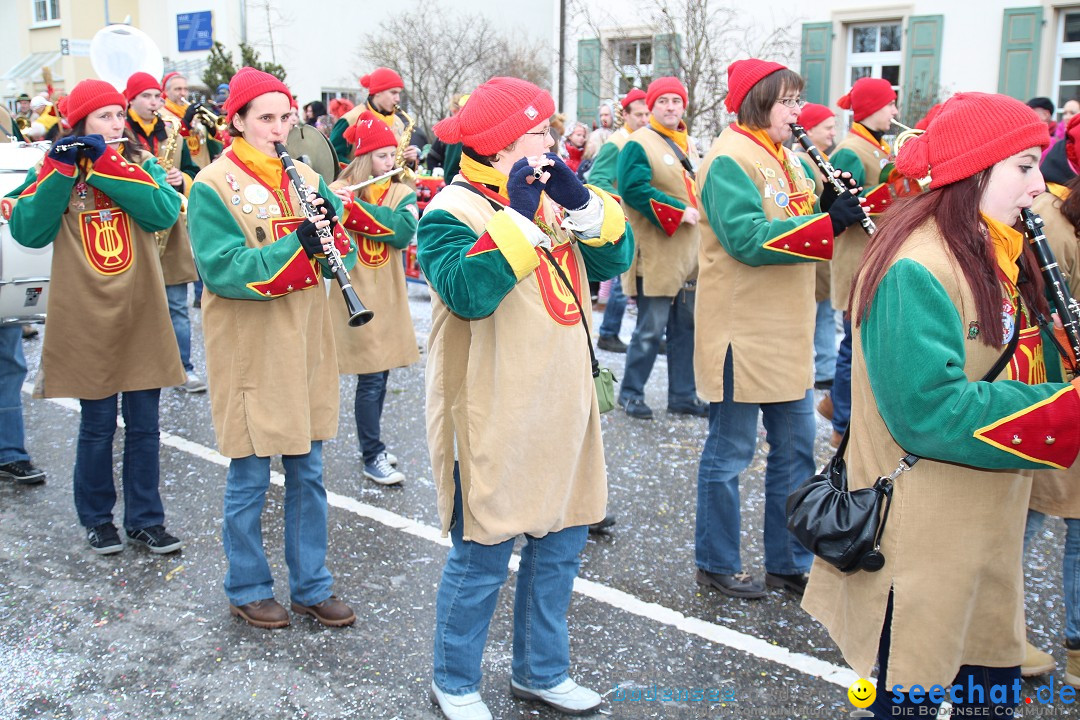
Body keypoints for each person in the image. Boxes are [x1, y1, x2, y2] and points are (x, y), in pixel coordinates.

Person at [802, 92, 1080, 718]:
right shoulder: (919, 266)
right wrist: (1064, 409)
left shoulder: (996, 250)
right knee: (912, 702)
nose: (1041, 185)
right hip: (922, 541)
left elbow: (1015, 361)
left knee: (988, 699)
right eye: (1026, 166)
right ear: (975, 169)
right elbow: (928, 411)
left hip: (986, 531)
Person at [417, 76, 631, 720]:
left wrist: (583, 204)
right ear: (503, 143)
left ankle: (540, 672)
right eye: (541, 132)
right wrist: (514, 217)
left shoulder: (546, 193)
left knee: (561, 546)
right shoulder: (449, 212)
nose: (554, 142)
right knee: (483, 556)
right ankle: (453, 681)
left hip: (562, 400)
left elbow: (614, 258)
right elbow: (465, 291)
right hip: (493, 408)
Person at [187, 67, 358, 630]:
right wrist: (297, 244)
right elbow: (222, 269)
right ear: (235, 121)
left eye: (286, 117)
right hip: (252, 349)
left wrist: (333, 233)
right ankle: (248, 585)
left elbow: (346, 260)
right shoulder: (212, 183)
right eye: (265, 118)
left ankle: (311, 585)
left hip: (306, 345)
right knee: (250, 475)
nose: (279, 129)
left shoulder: (306, 174)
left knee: (309, 472)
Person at [693, 59, 863, 599]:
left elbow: (807, 211)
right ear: (758, 101)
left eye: (798, 101)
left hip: (787, 330)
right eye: (788, 101)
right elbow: (748, 239)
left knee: (796, 450)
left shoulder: (788, 158)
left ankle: (787, 561)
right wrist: (826, 222)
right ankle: (716, 560)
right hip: (741, 332)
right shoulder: (728, 159)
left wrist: (836, 204)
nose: (799, 112)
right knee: (730, 454)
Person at [7, 78, 186, 555]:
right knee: (98, 425)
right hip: (86, 316)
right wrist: (63, 171)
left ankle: (146, 519)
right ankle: (97, 519)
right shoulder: (54, 166)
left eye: (117, 116)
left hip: (141, 311)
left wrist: (105, 165)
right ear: (80, 122)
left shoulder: (136, 163)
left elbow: (163, 214)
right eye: (103, 117)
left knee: (146, 425)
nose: (115, 124)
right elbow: (28, 229)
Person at [328, 112, 420, 486]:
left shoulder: (401, 190)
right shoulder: (334, 188)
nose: (391, 163)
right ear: (365, 158)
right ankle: (371, 452)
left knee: (378, 375)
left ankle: (373, 446)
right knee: (369, 377)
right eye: (382, 156)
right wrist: (336, 203)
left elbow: (401, 232)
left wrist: (353, 209)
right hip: (350, 294)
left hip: (387, 296)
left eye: (392, 154)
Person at [616, 76, 706, 420]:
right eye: (663, 101)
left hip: (688, 254)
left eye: (676, 101)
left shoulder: (688, 144)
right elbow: (633, 189)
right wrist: (677, 210)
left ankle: (683, 394)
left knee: (686, 328)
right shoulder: (639, 143)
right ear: (651, 107)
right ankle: (631, 393)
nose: (671, 107)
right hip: (657, 252)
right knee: (650, 330)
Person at [1019, 171, 1080, 683]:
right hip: (1059, 391)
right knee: (1027, 519)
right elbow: (1040, 320)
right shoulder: (1055, 229)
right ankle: (996, 629)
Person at [824, 77, 899, 448]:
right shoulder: (851, 149)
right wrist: (898, 186)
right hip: (856, 258)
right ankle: (841, 423)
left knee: (864, 345)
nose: (896, 112)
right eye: (890, 105)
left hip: (876, 253)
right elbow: (847, 204)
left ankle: (836, 407)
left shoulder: (876, 145)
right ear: (872, 109)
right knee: (853, 345)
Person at [123, 72, 206, 394]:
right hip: (132, 229)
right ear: (131, 100)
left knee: (176, 304)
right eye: (146, 96)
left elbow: (193, 172)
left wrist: (179, 179)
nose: (154, 103)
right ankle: (136, 367)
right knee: (134, 304)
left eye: (157, 97)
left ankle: (183, 369)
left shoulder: (172, 132)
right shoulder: (120, 133)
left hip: (169, 227)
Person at [590, 88, 648, 354]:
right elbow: (597, 179)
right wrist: (621, 203)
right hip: (625, 220)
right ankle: (608, 332)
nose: (644, 119)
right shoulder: (617, 143)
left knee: (636, 279)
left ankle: (645, 335)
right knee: (622, 279)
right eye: (638, 114)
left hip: (643, 222)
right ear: (624, 115)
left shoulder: (645, 139)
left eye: (647, 114)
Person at [792, 102, 840, 392]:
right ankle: (825, 365)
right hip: (813, 247)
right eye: (828, 127)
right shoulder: (803, 159)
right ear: (808, 130)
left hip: (822, 247)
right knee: (818, 312)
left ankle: (826, 364)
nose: (833, 132)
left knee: (822, 311)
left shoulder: (818, 157)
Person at [331, 67, 423, 167]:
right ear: (378, 92)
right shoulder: (351, 119)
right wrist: (362, 171)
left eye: (399, 93)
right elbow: (333, 156)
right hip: (359, 181)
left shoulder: (398, 122)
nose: (397, 99)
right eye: (393, 93)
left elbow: (398, 162)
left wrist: (409, 161)